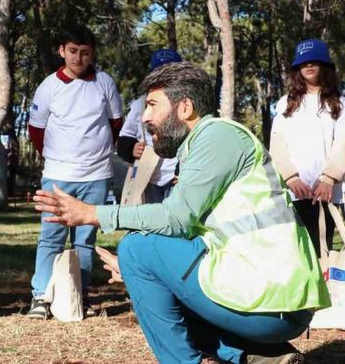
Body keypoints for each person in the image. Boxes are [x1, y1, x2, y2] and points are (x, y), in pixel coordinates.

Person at [33, 62, 328, 364]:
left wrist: (94, 213)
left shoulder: (216, 136)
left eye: (152, 105)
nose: (145, 116)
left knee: (136, 248)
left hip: (273, 302)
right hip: (269, 299)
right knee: (145, 261)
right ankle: (261, 357)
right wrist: (140, 272)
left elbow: (176, 219)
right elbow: (186, 232)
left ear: (184, 107)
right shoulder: (205, 144)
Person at [26, 27, 124, 319]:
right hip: (58, 175)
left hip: (96, 175)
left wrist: (94, 156)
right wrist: (58, 159)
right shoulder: (48, 86)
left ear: (92, 53)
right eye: (72, 51)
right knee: (51, 237)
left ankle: (77, 296)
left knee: (85, 240)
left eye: (84, 52)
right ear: (61, 51)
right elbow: (36, 130)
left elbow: (115, 123)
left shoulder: (105, 82)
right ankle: (41, 296)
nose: (78, 58)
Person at [270, 39, 345, 256]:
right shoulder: (285, 102)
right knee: (293, 253)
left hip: (324, 191)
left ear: (325, 65)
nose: (309, 65)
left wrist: (328, 179)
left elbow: (343, 141)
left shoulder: (339, 102)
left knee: (321, 249)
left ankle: (323, 290)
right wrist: (291, 178)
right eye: (303, 62)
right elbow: (277, 143)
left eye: (314, 60)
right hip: (294, 191)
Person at [117, 49, 182, 203]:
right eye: (159, 74)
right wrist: (131, 148)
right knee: (149, 222)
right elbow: (124, 137)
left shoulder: (186, 104)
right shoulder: (140, 104)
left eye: (170, 74)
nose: (165, 79)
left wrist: (186, 170)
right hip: (147, 177)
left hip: (175, 177)